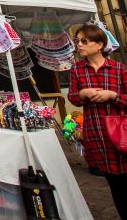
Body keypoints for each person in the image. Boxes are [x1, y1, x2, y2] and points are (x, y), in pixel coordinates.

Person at [68, 23, 126, 219]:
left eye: (85, 41)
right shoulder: (77, 70)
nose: (80, 45)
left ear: (99, 44)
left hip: (121, 132)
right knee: (115, 185)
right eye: (78, 41)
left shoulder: (119, 69)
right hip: (97, 133)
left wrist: (113, 95)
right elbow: (73, 98)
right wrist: (83, 93)